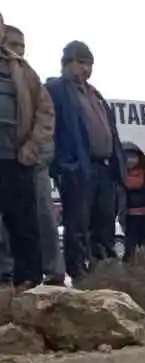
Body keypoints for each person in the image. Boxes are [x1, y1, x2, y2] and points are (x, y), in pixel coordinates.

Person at [45, 40, 118, 280]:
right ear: (67, 63)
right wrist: (64, 166)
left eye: (90, 64)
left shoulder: (95, 94)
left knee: (104, 221)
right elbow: (50, 128)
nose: (87, 69)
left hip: (104, 168)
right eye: (82, 63)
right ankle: (78, 273)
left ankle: (102, 271)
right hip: (77, 168)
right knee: (78, 224)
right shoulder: (56, 89)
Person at [0, 20, 57, 286]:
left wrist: (32, 148)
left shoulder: (21, 69)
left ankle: (30, 286)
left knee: (24, 226)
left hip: (15, 159)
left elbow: (45, 111)